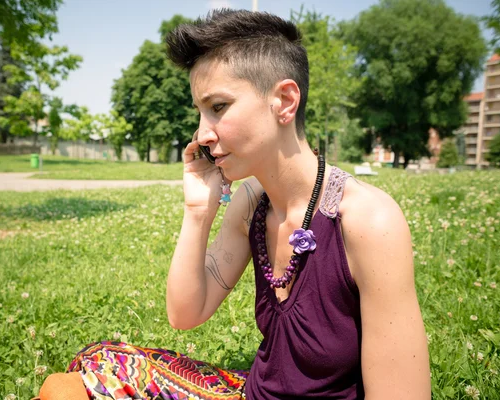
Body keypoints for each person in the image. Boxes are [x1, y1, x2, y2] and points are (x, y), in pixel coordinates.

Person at [38, 9, 431, 400]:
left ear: (284, 101)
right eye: (200, 112)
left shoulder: (369, 221)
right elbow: (186, 313)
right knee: (95, 368)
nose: (202, 134)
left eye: (219, 107)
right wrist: (197, 212)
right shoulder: (250, 204)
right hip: (251, 392)